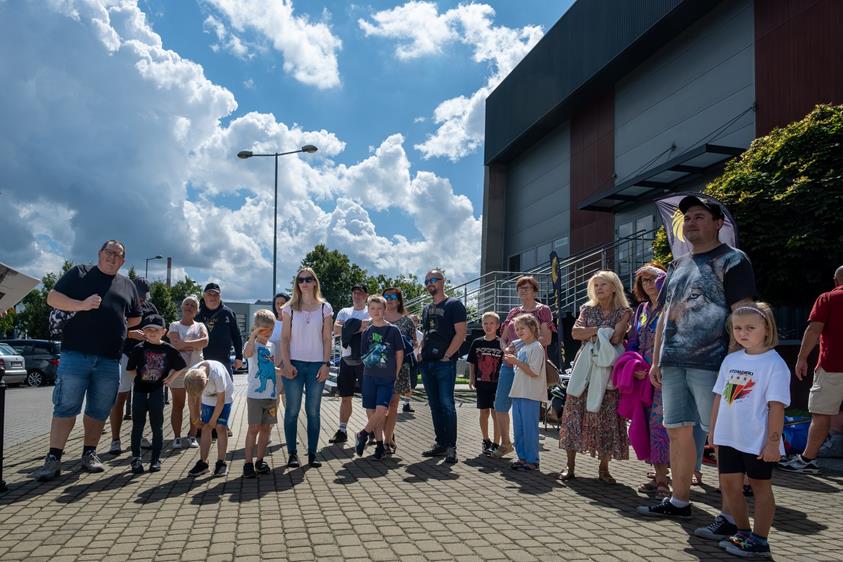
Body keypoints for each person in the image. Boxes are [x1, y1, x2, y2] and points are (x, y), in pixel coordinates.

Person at [639, 194, 756, 519]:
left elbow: (742, 313)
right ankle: (679, 502)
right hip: (674, 363)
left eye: (699, 217)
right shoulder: (677, 265)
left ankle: (732, 518)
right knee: (677, 431)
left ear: (718, 224)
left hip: (714, 364)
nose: (691, 222)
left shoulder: (734, 260)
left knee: (722, 437)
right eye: (687, 218)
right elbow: (665, 315)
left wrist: (735, 360)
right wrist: (657, 359)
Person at [32, 240, 141, 482]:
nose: (112, 257)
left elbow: (135, 318)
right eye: (108, 252)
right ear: (99, 254)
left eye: (118, 255)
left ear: (123, 261)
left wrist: (118, 325)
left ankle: (89, 454)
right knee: (65, 406)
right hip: (75, 355)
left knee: (99, 410)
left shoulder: (127, 285)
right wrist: (81, 306)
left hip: (109, 359)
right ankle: (53, 458)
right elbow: (52, 298)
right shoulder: (79, 273)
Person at [705, 303, 789, 558]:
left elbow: (776, 408)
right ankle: (743, 532)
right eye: (738, 328)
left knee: (760, 487)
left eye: (750, 328)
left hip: (757, 440)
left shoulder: (775, 364)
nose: (743, 333)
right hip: (729, 437)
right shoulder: (731, 360)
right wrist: (713, 431)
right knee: (730, 486)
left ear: (766, 329)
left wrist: (773, 442)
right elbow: (720, 397)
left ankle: (760, 540)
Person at [558, 271, 631, 483]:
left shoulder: (624, 311)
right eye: (596, 285)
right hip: (585, 368)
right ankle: (569, 466)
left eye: (603, 285)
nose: (599, 289)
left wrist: (592, 333)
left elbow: (617, 337)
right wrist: (601, 330)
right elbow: (575, 333)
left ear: (614, 287)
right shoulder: (587, 309)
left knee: (607, 417)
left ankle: (604, 469)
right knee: (573, 413)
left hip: (608, 369)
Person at [780, 265, 843, 473]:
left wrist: (801, 358)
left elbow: (814, 328)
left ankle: (807, 460)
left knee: (821, 413)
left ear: (836, 281)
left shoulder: (828, 298)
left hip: (833, 366)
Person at [492, 276, 554, 459]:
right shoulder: (513, 312)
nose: (523, 291)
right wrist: (506, 350)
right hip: (509, 364)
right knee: (500, 405)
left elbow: (547, 339)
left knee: (526, 412)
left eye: (527, 288)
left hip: (529, 364)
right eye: (520, 288)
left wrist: (519, 346)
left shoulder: (543, 310)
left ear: (535, 290)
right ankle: (506, 444)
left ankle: (529, 457)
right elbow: (503, 338)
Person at [279, 267, 333, 468]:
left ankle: (312, 454)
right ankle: (292, 453)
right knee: (292, 410)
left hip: (317, 365)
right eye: (301, 279)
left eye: (308, 279)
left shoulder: (324, 308)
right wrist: (287, 363)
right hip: (294, 364)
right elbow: (284, 339)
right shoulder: (289, 308)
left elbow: (328, 339)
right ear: (297, 283)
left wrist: (326, 364)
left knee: (313, 411)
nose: (304, 282)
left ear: (315, 282)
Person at [626, 264, 671, 496]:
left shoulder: (670, 306)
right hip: (643, 374)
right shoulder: (641, 309)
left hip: (665, 373)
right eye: (644, 280)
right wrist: (632, 366)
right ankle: (657, 475)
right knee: (644, 423)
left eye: (653, 278)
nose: (649, 283)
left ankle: (664, 480)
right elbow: (633, 341)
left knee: (660, 424)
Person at [124, 315, 187, 474]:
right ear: (143, 332)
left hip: (157, 391)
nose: (152, 333)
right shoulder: (138, 348)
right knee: (137, 424)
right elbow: (130, 369)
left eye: (156, 330)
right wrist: (137, 381)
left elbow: (181, 366)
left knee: (157, 426)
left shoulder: (168, 349)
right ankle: (136, 458)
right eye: (148, 330)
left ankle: (155, 460)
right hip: (139, 391)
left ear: (163, 332)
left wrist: (171, 378)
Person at [419, 269, 467, 464]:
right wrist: (421, 352)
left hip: (445, 363)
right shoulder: (426, 308)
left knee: (447, 405)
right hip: (427, 363)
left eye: (433, 280)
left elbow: (461, 333)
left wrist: (448, 355)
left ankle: (451, 447)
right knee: (434, 405)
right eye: (427, 280)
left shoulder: (454, 304)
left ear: (443, 281)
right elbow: (426, 334)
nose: (430, 283)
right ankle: (440, 443)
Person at [108, 277, 159, 455]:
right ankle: (115, 440)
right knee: (119, 398)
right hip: (124, 356)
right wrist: (130, 334)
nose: (142, 299)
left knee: (142, 400)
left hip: (145, 360)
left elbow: (159, 327)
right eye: (139, 295)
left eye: (144, 296)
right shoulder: (122, 303)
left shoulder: (151, 307)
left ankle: (139, 436)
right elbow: (112, 328)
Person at [354, 295, 404, 461]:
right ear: (368, 310)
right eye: (372, 308)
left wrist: (395, 374)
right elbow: (363, 355)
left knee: (382, 410)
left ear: (384, 310)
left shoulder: (393, 330)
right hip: (369, 376)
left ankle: (363, 433)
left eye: (379, 308)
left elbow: (399, 353)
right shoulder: (367, 332)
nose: (376, 312)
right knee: (372, 412)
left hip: (386, 377)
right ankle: (380, 445)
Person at [505, 314, 547, 471]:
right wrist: (515, 361)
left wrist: (516, 361)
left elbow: (534, 371)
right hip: (518, 393)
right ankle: (522, 457)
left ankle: (532, 460)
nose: (519, 331)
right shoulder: (524, 347)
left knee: (529, 428)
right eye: (516, 329)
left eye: (522, 328)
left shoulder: (536, 347)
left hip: (530, 394)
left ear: (533, 328)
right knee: (519, 428)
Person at [242, 310, 281, 478]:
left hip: (271, 395)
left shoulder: (271, 346)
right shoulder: (251, 344)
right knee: (253, 428)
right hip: (255, 396)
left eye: (271, 330)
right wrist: (254, 336)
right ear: (256, 329)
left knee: (266, 428)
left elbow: (271, 367)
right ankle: (248, 463)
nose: (268, 334)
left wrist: (284, 372)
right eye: (264, 330)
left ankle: (260, 460)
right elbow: (248, 354)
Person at [329, 284, 370, 444]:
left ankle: (372, 429)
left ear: (366, 296)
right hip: (347, 360)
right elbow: (337, 330)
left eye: (360, 293)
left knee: (369, 398)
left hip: (366, 360)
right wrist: (359, 325)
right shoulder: (344, 311)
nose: (357, 296)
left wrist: (349, 326)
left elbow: (371, 325)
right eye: (354, 293)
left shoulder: (370, 310)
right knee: (345, 397)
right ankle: (342, 430)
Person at [166, 296, 208, 449]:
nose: (189, 306)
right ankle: (177, 437)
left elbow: (205, 342)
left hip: (196, 372)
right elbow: (175, 345)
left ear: (197, 310)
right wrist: (193, 345)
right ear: (182, 308)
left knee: (195, 404)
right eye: (187, 304)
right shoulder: (174, 325)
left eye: (193, 305)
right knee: (178, 404)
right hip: (177, 371)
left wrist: (184, 344)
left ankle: (192, 435)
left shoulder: (200, 326)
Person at [184, 360, 234, 477]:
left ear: (206, 381)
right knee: (205, 428)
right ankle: (203, 463)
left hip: (224, 398)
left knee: (220, 427)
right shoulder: (191, 375)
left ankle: (221, 463)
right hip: (208, 399)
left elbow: (221, 401)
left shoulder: (217, 374)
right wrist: (195, 419)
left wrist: (213, 421)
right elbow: (191, 399)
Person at [382, 287, 417, 453]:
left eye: (393, 296)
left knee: (393, 404)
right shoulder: (377, 316)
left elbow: (414, 343)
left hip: (399, 367)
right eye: (386, 296)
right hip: (379, 368)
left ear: (399, 299)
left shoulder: (407, 321)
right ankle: (387, 434)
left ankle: (387, 440)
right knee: (380, 406)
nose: (389, 299)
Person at [467, 312, 503, 455]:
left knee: (496, 413)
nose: (488, 326)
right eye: (485, 323)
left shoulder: (501, 343)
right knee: (483, 412)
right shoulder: (477, 342)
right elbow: (472, 362)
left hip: (497, 384)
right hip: (481, 383)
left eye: (491, 323)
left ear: (498, 325)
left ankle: (496, 442)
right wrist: (472, 378)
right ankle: (485, 439)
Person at [195, 283, 242, 378]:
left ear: (220, 296)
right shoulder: (197, 314)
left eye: (216, 294)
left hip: (223, 361)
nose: (212, 297)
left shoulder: (228, 313)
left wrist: (239, 357)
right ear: (204, 296)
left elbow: (236, 336)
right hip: (201, 361)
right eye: (209, 294)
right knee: (202, 391)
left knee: (226, 391)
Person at [268, 292, 290, 408]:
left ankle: (290, 426)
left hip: (289, 364)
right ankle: (269, 425)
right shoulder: (270, 323)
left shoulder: (293, 322)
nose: (280, 306)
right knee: (273, 400)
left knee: (289, 401)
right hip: (273, 366)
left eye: (283, 303)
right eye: (277, 303)